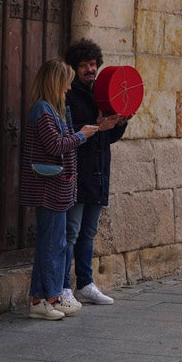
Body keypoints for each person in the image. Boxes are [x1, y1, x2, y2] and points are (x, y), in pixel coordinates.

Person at [20, 59, 100, 320]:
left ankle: (48, 297)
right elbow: (56, 145)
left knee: (56, 243)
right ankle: (43, 299)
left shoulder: (56, 110)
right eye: (66, 82)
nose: (68, 88)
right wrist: (82, 135)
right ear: (55, 82)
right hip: (48, 187)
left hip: (59, 186)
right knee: (51, 244)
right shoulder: (42, 110)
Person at [63, 39, 129, 305]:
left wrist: (118, 124)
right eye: (83, 65)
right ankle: (63, 287)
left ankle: (86, 283)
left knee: (89, 232)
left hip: (99, 174)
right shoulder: (69, 95)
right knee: (71, 232)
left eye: (92, 64)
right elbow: (72, 132)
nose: (89, 69)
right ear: (75, 68)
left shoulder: (103, 93)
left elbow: (107, 137)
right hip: (78, 174)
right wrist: (98, 126)